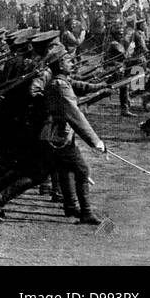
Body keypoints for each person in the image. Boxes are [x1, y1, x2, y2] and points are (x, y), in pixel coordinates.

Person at [40, 54, 108, 224]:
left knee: (63, 170)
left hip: (57, 135)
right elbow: (75, 115)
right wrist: (95, 141)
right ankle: (86, 213)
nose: (72, 63)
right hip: (58, 136)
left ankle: (71, 206)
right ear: (60, 65)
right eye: (68, 61)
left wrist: (100, 88)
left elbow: (78, 92)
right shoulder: (60, 85)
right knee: (82, 170)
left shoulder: (62, 82)